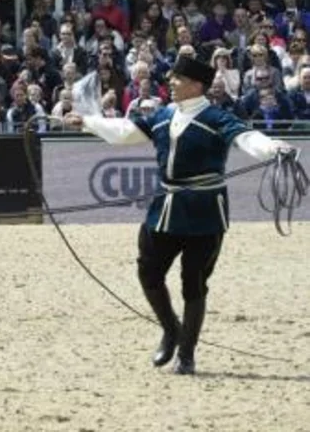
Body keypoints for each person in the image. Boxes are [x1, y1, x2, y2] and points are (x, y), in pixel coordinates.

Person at [65, 55, 294, 375]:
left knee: (194, 283)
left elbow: (245, 137)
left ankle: (186, 354)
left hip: (204, 212)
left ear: (196, 85)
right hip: (165, 208)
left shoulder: (216, 117)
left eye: (177, 79)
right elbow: (127, 130)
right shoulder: (163, 114)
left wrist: (273, 148)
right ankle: (171, 329)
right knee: (148, 271)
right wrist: (87, 122)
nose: (170, 83)